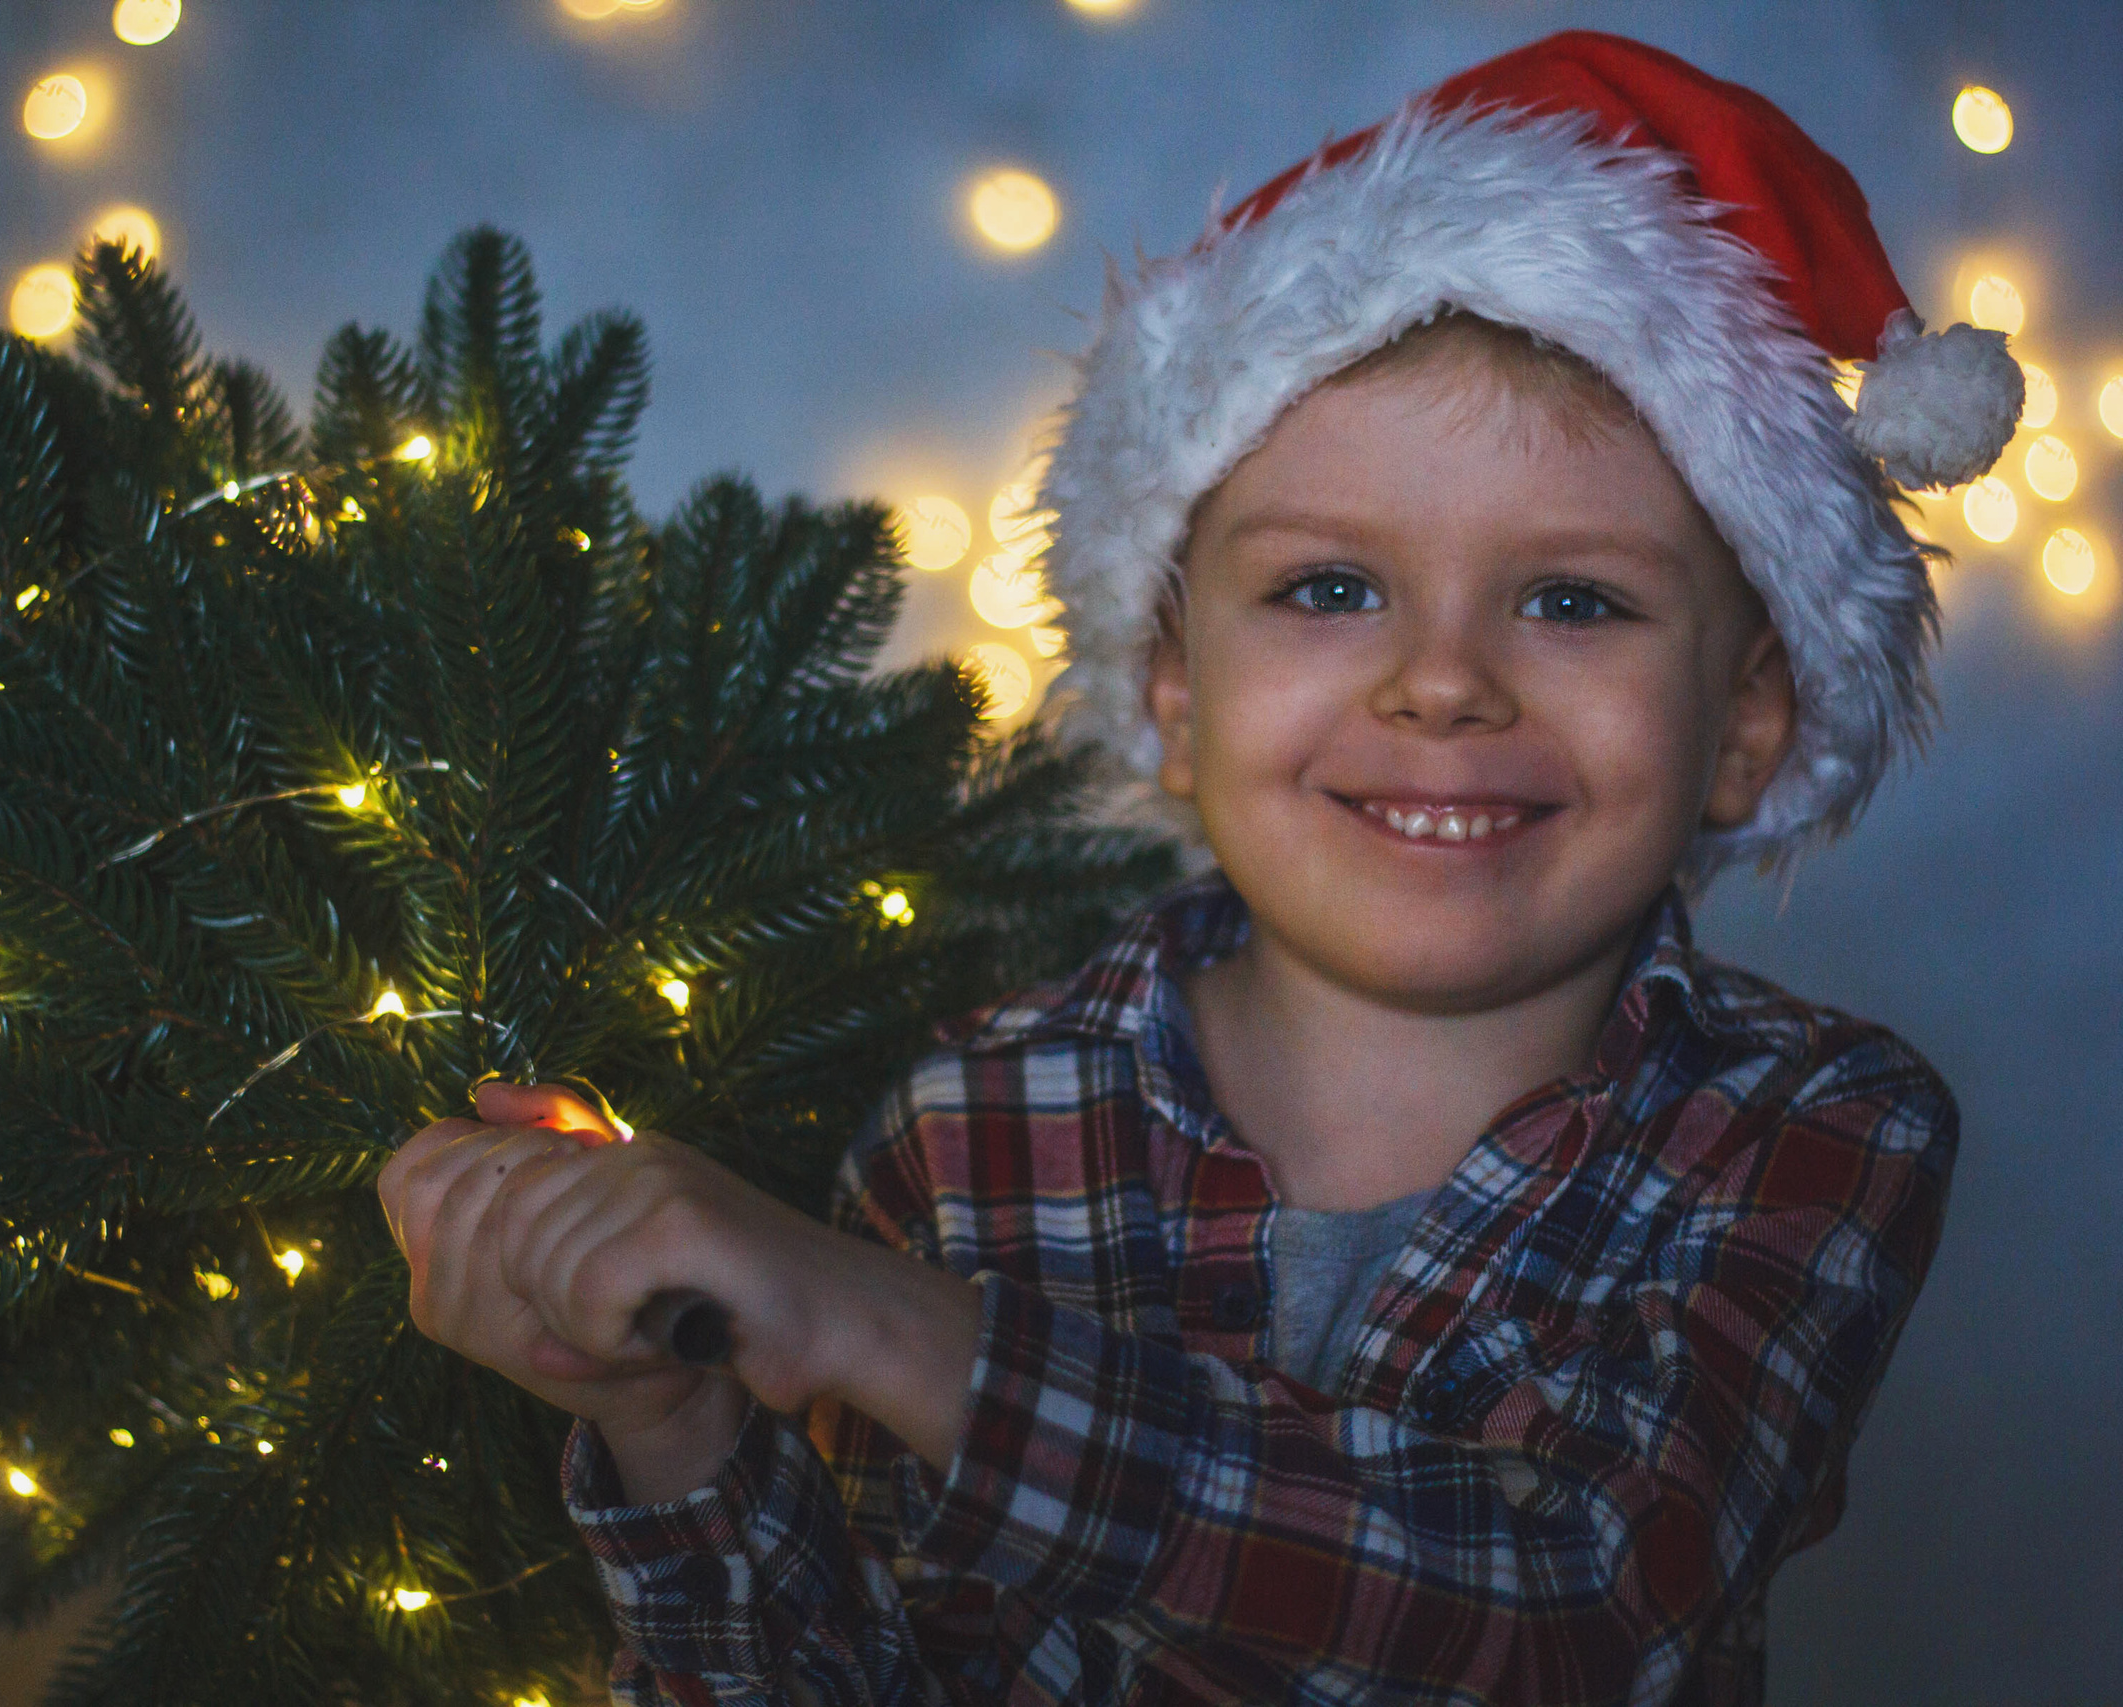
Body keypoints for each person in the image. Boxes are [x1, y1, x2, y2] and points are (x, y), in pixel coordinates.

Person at [376, 30, 2021, 1704]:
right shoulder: (971, 1125)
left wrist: (888, 1332)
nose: (1441, 681)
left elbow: (1569, 1620)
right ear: (1171, 690)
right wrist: (671, 1412)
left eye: (1574, 600)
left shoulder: (1804, 1128)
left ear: (1748, 716)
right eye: (1327, 589)